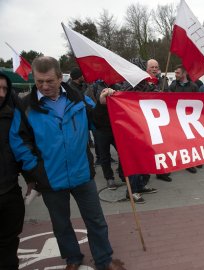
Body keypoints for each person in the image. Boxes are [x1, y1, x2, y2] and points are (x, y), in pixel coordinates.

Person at [9, 56, 125, 270]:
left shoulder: (78, 98)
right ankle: (72, 258)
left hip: (82, 173)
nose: (45, 86)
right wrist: (35, 170)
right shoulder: (25, 106)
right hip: (50, 179)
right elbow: (19, 141)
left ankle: (104, 259)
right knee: (61, 225)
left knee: (96, 220)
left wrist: (101, 104)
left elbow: (97, 123)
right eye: (39, 81)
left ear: (60, 77)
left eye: (50, 81)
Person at [0, 72, 27, 270]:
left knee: (10, 242)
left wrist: (32, 178)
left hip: (9, 190)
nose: (1, 94)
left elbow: (21, 148)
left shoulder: (12, 115)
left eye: (4, 89)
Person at [169, 65, 200, 173]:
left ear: (184, 73)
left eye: (177, 73)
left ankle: (190, 163)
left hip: (190, 119)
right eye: (175, 72)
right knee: (178, 141)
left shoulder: (194, 87)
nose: (175, 75)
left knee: (190, 142)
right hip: (176, 119)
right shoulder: (172, 86)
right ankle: (179, 160)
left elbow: (199, 102)